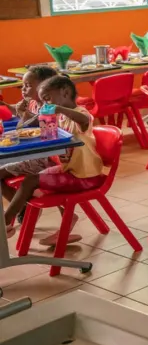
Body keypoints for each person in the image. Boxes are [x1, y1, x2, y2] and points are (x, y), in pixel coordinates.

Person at [3, 76, 104, 243]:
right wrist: (45, 120)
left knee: (30, 182)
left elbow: (84, 120)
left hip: (85, 176)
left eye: (47, 99)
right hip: (67, 169)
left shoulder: (80, 113)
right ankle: (62, 218)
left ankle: (4, 224)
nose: (44, 104)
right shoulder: (59, 116)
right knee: (30, 184)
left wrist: (59, 110)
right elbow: (49, 138)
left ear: (64, 93)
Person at [0, 65, 59, 229]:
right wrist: (9, 106)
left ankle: (7, 221)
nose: (23, 89)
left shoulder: (50, 106)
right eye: (23, 85)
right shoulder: (31, 102)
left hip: (45, 157)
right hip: (33, 153)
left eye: (28, 85)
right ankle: (22, 206)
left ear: (44, 86)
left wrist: (24, 115)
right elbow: (21, 117)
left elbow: (42, 126)